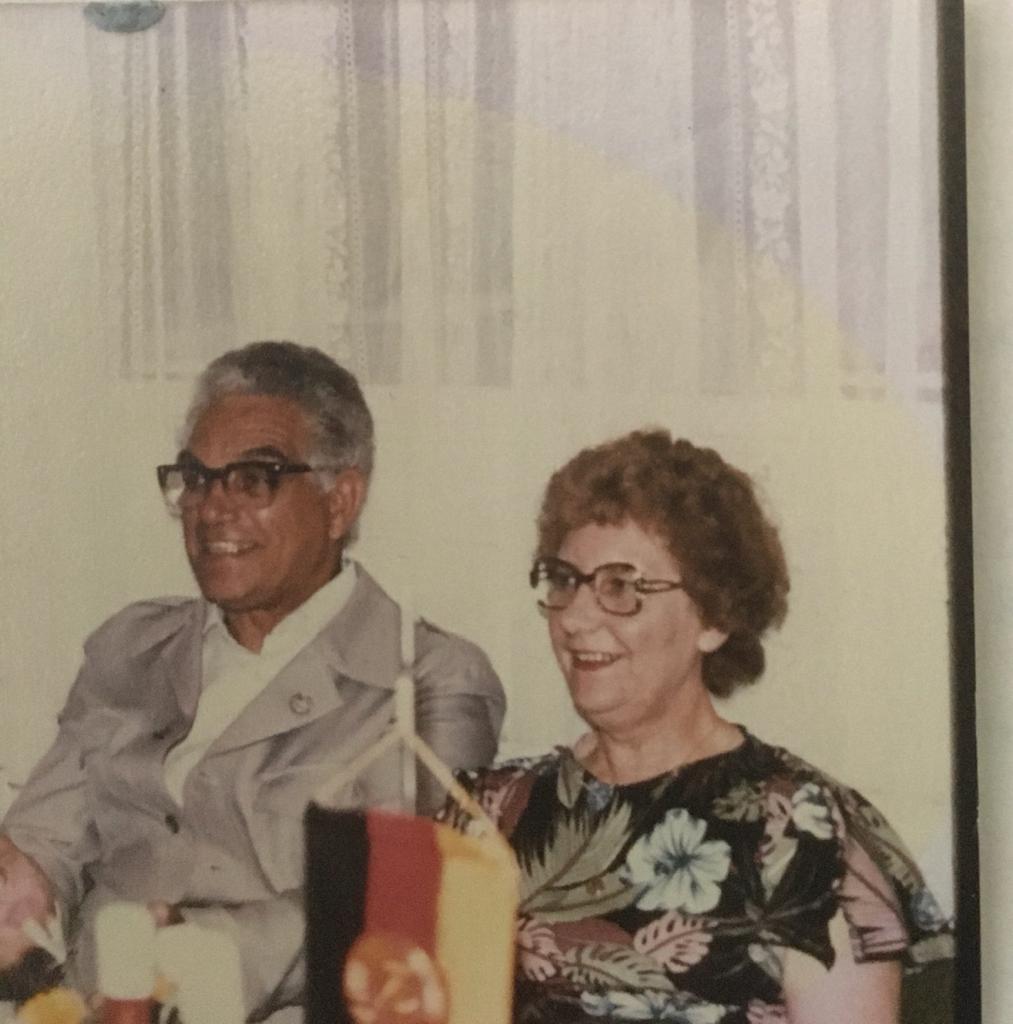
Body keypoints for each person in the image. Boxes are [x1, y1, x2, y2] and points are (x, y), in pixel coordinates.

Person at [0, 341, 506, 1021]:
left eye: (254, 478)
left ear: (340, 500)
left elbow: (397, 904)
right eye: (197, 478)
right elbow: (44, 845)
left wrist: (193, 956)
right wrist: (25, 888)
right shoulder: (131, 647)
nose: (212, 508)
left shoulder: (429, 681)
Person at [443, 430, 952, 1024]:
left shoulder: (799, 831)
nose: (575, 618)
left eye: (620, 587)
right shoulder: (489, 814)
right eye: (564, 580)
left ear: (713, 618)